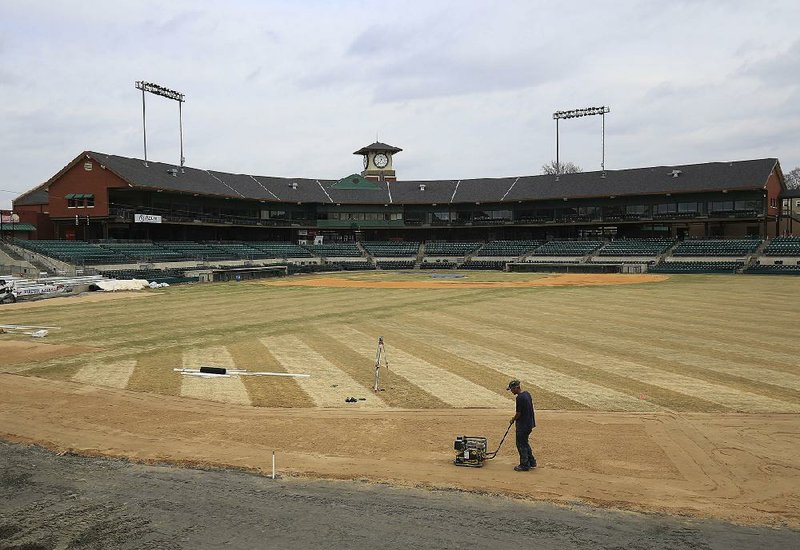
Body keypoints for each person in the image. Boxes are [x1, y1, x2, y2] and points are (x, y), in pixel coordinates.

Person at [507, 379, 536, 471]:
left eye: (512, 389)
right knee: (525, 442)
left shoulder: (519, 398)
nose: (511, 391)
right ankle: (531, 462)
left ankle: (524, 465)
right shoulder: (527, 394)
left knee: (520, 444)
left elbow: (518, 413)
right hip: (530, 423)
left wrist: (512, 419)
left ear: (517, 388)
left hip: (523, 425)